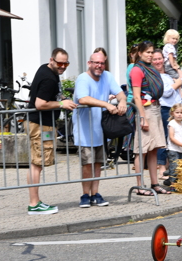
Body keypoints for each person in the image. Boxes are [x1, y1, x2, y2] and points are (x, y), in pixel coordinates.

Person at [25, 48, 77, 214]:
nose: (62, 66)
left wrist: (61, 98)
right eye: (59, 63)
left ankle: (35, 201)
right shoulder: (49, 78)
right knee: (37, 164)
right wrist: (61, 104)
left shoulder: (46, 69)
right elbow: (40, 104)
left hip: (41, 124)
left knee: (36, 163)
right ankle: (34, 204)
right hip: (40, 124)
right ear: (52, 60)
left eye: (65, 63)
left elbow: (50, 96)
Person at [74, 47, 127, 208]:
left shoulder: (107, 76)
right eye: (96, 63)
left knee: (98, 163)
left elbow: (119, 92)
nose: (99, 66)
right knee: (87, 163)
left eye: (102, 63)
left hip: (101, 129)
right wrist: (105, 104)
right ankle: (85, 194)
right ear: (89, 63)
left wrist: (122, 101)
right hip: (85, 130)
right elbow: (83, 99)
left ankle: (95, 193)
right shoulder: (83, 79)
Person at [128, 41, 170, 195]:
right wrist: (142, 118)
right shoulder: (137, 70)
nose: (151, 55)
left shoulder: (151, 68)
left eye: (152, 52)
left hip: (155, 108)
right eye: (147, 52)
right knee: (142, 150)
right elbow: (137, 97)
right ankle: (140, 186)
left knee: (153, 149)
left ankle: (154, 184)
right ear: (140, 53)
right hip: (145, 110)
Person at [154, 50, 182, 181]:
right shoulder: (155, 75)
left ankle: (170, 168)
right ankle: (161, 168)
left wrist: (179, 74)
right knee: (165, 138)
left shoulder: (167, 74)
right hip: (165, 108)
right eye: (155, 59)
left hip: (176, 108)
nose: (158, 61)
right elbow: (165, 92)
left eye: (160, 59)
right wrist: (177, 83)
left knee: (176, 137)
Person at [165, 102, 182, 189]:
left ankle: (172, 181)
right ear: (172, 113)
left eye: (181, 113)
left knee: (180, 167)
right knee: (174, 167)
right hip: (173, 149)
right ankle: (173, 185)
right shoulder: (172, 124)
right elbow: (172, 138)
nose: (179, 115)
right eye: (177, 112)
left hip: (180, 149)